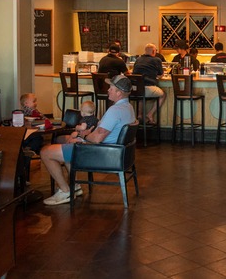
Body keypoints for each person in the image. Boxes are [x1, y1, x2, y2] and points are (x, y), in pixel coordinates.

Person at [41, 74, 136, 206]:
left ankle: (65, 190)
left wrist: (84, 135)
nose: (108, 90)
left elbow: (97, 138)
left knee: (45, 151)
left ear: (119, 93)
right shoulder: (129, 107)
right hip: (116, 152)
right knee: (63, 139)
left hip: (98, 153)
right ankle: (75, 184)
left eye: (111, 88)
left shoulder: (115, 111)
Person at [131, 43, 165, 124]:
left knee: (141, 94)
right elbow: (160, 74)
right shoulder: (157, 60)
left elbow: (134, 73)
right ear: (154, 51)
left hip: (135, 89)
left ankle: (139, 115)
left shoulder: (138, 59)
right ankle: (150, 114)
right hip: (148, 87)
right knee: (163, 95)